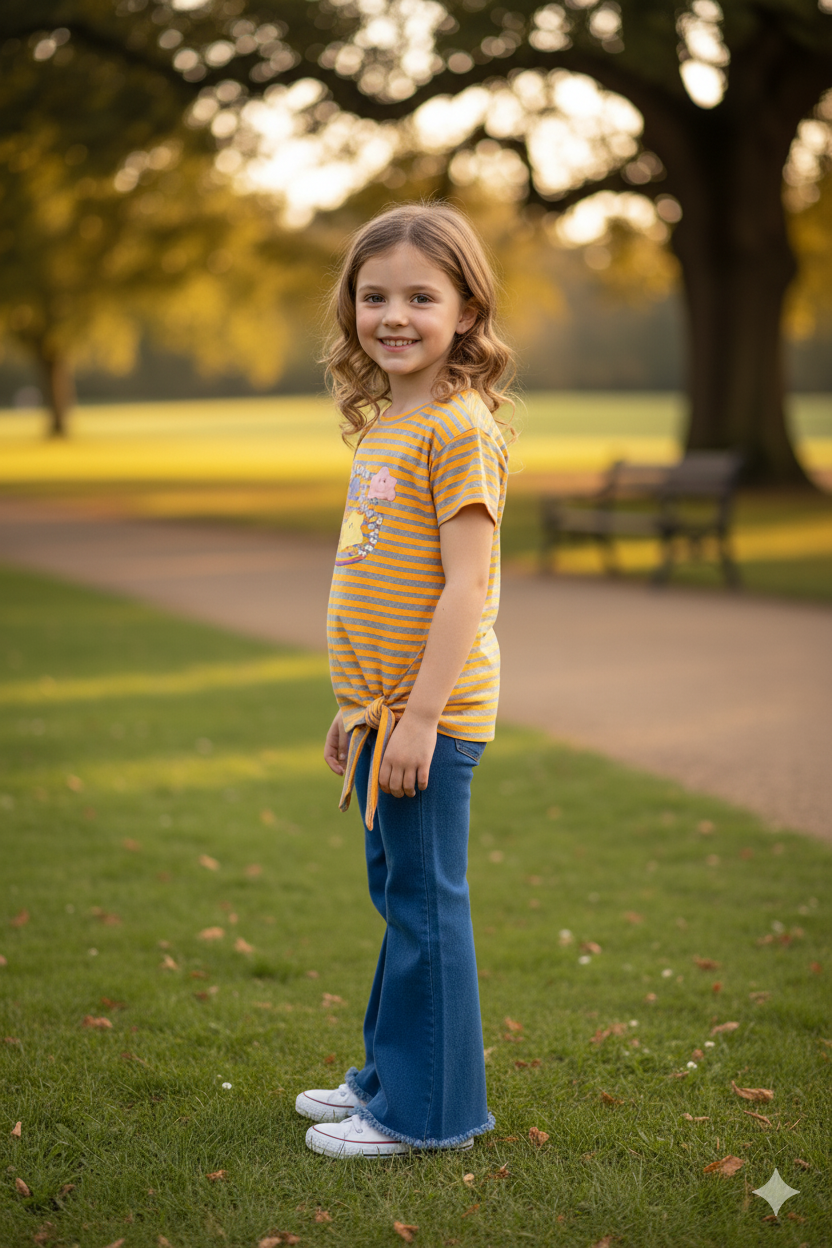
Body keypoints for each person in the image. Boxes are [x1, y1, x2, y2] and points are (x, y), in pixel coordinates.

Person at [295, 201, 515, 1157]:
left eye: (421, 296)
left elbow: (467, 588)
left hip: (434, 715)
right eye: (373, 294)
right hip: (385, 712)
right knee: (401, 904)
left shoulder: (460, 427)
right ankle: (389, 1075)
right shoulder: (389, 423)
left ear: (466, 310)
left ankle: (428, 1116)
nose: (394, 314)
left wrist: (421, 717)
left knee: (428, 909)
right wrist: (359, 711)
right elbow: (375, 571)